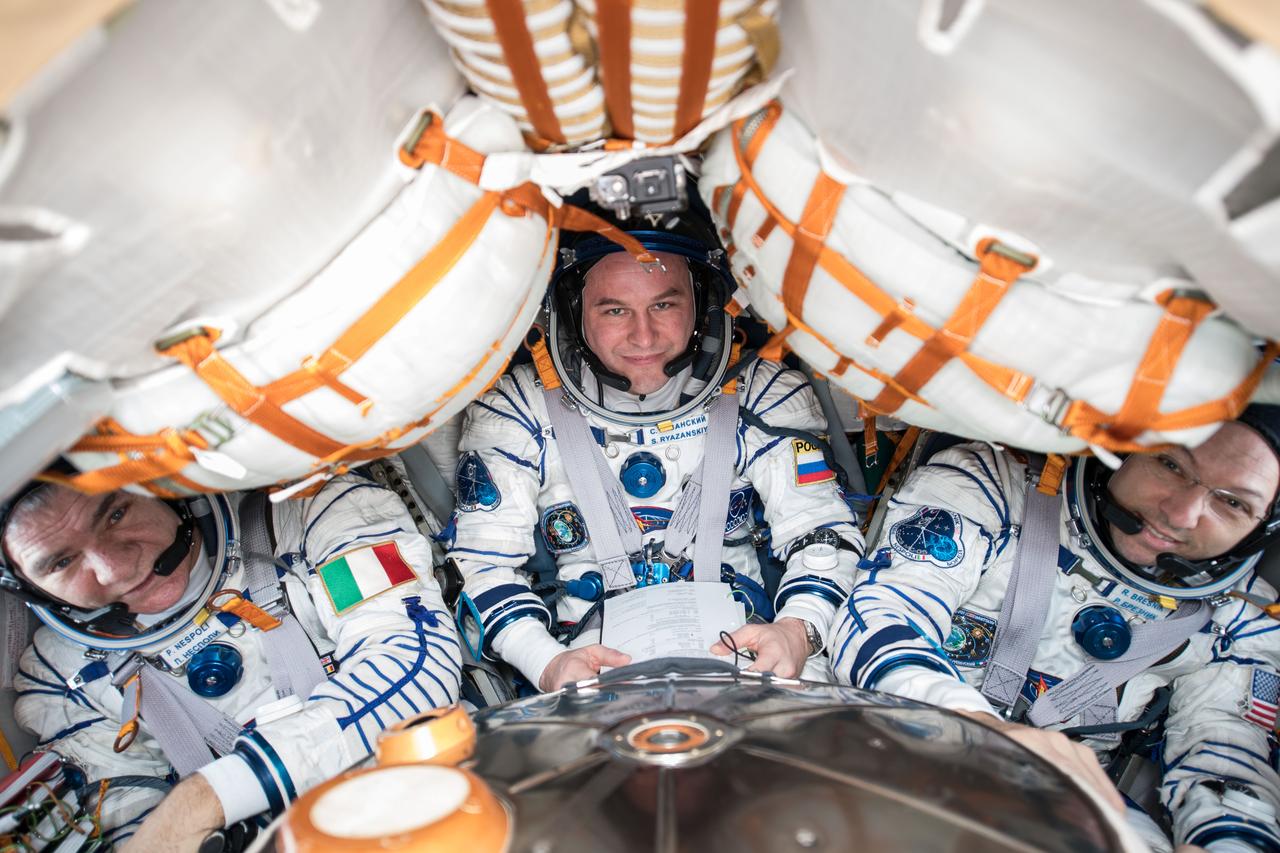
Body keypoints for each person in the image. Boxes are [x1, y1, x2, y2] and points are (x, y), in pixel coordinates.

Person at [829, 406, 1280, 852]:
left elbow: (1224, 757)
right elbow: (884, 617)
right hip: (906, 735)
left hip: (1076, 800)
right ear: (1123, 449)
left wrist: (1229, 843)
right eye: (1171, 463)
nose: (1181, 514)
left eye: (1233, 502)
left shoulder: (1240, 617)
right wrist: (977, 728)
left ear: (1262, 529)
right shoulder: (990, 483)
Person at [446, 212, 862, 693]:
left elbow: (821, 533)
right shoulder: (519, 408)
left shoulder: (763, 392)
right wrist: (546, 662)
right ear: (574, 309)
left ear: (702, 303)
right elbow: (481, 561)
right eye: (614, 310)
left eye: (664, 305)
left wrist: (796, 632)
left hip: (753, 656)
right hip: (580, 666)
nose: (643, 337)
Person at [1, 470, 461, 851]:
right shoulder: (61, 680)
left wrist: (209, 797)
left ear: (158, 484)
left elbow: (414, 659)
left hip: (445, 798)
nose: (115, 568)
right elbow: (134, 829)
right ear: (30, 589)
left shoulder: (307, 508)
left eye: (116, 514)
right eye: (59, 563)